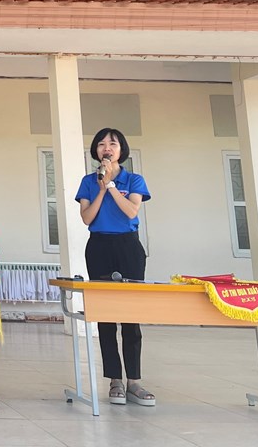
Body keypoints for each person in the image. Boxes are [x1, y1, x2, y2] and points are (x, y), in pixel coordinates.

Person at [76, 128, 154, 407]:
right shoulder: (88, 182)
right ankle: (115, 380)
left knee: (131, 316)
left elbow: (131, 211)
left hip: (128, 247)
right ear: (96, 151)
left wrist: (111, 184)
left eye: (112, 143)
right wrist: (100, 188)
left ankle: (134, 381)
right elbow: (87, 218)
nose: (106, 148)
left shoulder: (133, 180)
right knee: (106, 317)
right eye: (101, 144)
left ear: (122, 150)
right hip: (99, 247)